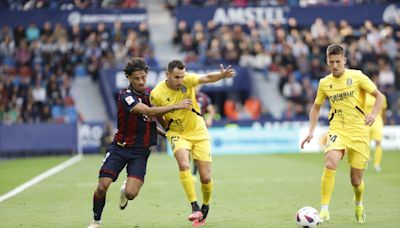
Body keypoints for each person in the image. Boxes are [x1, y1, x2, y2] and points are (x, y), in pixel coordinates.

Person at [87, 57, 192, 228]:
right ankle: (96, 221)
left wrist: (166, 134)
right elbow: (147, 111)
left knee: (130, 194)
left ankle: (124, 189)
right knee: (102, 186)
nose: (141, 81)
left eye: (143, 77)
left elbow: (151, 120)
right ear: (129, 78)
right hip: (119, 149)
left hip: (140, 153)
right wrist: (176, 106)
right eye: (136, 78)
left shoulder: (152, 95)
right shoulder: (125, 96)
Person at [300, 44, 384, 224]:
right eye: (332, 62)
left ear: (344, 60)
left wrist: (374, 114)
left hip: (359, 132)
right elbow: (316, 107)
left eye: (338, 61)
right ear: (327, 62)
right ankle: (324, 210)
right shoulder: (324, 83)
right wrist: (311, 131)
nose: (335, 65)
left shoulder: (357, 76)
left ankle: (359, 203)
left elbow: (380, 97)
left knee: (356, 181)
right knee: (330, 161)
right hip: (338, 129)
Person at [150, 60, 235, 227]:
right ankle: (194, 206)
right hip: (177, 133)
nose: (180, 80)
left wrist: (221, 76)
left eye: (182, 76)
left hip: (199, 131)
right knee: (183, 163)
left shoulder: (188, 80)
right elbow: (156, 112)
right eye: (176, 77)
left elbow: (207, 77)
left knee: (205, 177)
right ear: (167, 75)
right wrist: (166, 127)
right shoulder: (156, 93)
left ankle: (205, 205)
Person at [192, 86, 215, 177]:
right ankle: (190, 172)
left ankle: (194, 173)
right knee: (187, 152)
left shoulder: (204, 98)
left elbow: (211, 111)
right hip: (187, 128)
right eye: (194, 86)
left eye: (197, 86)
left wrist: (209, 119)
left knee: (198, 153)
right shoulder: (184, 97)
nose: (196, 88)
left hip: (200, 129)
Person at [365, 85, 387, 172]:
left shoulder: (381, 96)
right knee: (366, 143)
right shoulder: (365, 95)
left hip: (377, 121)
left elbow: (384, 110)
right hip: (366, 121)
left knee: (378, 142)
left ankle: (377, 164)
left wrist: (384, 121)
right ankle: (366, 160)